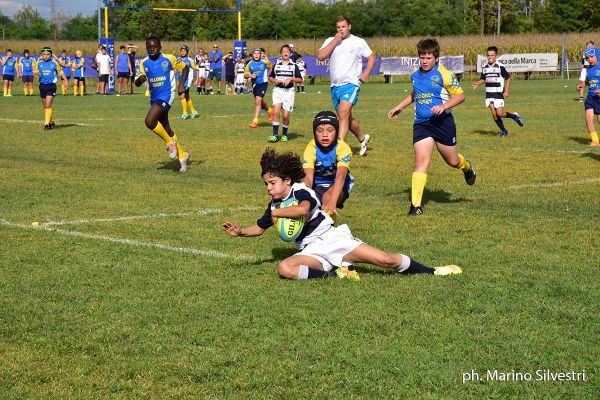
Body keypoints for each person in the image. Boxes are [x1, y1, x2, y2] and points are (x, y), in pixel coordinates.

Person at [222, 148, 462, 281]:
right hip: (311, 250)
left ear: (286, 180)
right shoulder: (273, 206)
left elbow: (304, 210)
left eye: (272, 183)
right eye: (266, 185)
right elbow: (260, 227)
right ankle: (334, 274)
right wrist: (241, 232)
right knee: (285, 268)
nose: (269, 188)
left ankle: (434, 270)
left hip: (333, 239)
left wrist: (279, 213)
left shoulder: (301, 190)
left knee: (385, 260)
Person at [387, 38, 476, 216]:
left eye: (428, 57)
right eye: (422, 57)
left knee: (453, 161)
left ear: (436, 57)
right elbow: (416, 94)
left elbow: (460, 96)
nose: (425, 61)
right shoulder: (415, 75)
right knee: (421, 161)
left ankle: (467, 167)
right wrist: (399, 106)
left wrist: (444, 107)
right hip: (422, 124)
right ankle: (416, 206)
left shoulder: (444, 74)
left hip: (443, 123)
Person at [317, 16, 375, 156]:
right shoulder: (331, 40)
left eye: (343, 27)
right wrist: (335, 41)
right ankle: (362, 138)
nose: (341, 30)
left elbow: (371, 57)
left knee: (343, 113)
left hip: (351, 83)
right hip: (335, 86)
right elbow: (320, 56)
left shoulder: (358, 42)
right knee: (346, 118)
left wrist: (366, 73)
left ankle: (339, 149)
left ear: (349, 26)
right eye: (338, 27)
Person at [135, 36, 191, 172]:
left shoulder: (169, 58)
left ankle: (169, 143)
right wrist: (140, 79)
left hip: (167, 94)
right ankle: (182, 155)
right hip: (154, 98)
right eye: (149, 47)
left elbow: (185, 68)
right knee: (166, 128)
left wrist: (182, 84)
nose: (151, 49)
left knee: (149, 121)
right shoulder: (144, 63)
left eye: (154, 47)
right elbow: (136, 83)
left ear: (160, 47)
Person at [303, 111, 354, 218]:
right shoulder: (311, 147)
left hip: (337, 184)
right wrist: (305, 197)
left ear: (336, 131)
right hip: (316, 184)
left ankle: (329, 232)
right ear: (314, 132)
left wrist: (332, 201)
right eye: (319, 130)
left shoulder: (343, 148)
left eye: (330, 130)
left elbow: (341, 176)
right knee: (307, 206)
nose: (324, 135)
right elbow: (308, 177)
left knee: (327, 200)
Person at [471, 46, 524, 138]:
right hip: (489, 94)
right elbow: (483, 79)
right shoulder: (485, 67)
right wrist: (477, 84)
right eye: (488, 55)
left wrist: (506, 91)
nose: (490, 57)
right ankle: (504, 131)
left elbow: (508, 78)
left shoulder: (500, 66)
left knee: (500, 113)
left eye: (492, 55)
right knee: (494, 114)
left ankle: (514, 116)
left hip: (498, 93)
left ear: (496, 56)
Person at [268, 45, 303, 143]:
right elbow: (270, 77)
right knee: (276, 111)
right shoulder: (276, 65)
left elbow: (300, 79)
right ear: (281, 53)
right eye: (283, 51)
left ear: (290, 54)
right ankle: (275, 135)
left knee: (285, 116)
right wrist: (274, 80)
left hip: (289, 92)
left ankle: (284, 135)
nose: (285, 53)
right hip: (278, 91)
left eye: (287, 51)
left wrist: (291, 79)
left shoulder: (293, 66)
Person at [33, 47, 67, 130]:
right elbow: (35, 72)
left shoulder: (54, 63)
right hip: (42, 86)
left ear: (50, 55)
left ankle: (46, 124)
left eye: (48, 54)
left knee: (48, 105)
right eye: (44, 54)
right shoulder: (39, 63)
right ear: (42, 55)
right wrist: (36, 75)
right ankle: (51, 122)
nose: (46, 56)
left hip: (51, 86)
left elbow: (60, 72)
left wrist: (65, 80)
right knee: (45, 106)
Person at [245, 48, 274, 129]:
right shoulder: (249, 64)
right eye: (255, 53)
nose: (257, 55)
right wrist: (250, 75)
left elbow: (271, 67)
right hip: (255, 85)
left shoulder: (264, 62)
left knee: (258, 101)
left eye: (258, 53)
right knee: (260, 102)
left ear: (260, 54)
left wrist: (270, 76)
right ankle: (270, 111)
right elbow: (245, 75)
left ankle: (255, 122)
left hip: (263, 83)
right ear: (252, 55)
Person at [580, 47, 600, 147]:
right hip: (590, 97)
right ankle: (595, 141)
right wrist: (582, 85)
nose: (590, 59)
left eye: (592, 57)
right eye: (588, 58)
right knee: (588, 119)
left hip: (599, 99)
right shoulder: (588, 69)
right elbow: (589, 81)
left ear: (597, 56)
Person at [177, 45, 199, 120]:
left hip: (187, 81)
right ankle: (194, 112)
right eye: (181, 51)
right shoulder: (178, 60)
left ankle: (185, 113)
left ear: (187, 52)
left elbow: (197, 69)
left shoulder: (190, 60)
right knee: (186, 96)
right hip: (181, 80)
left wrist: (197, 79)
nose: (182, 52)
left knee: (181, 96)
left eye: (184, 51)